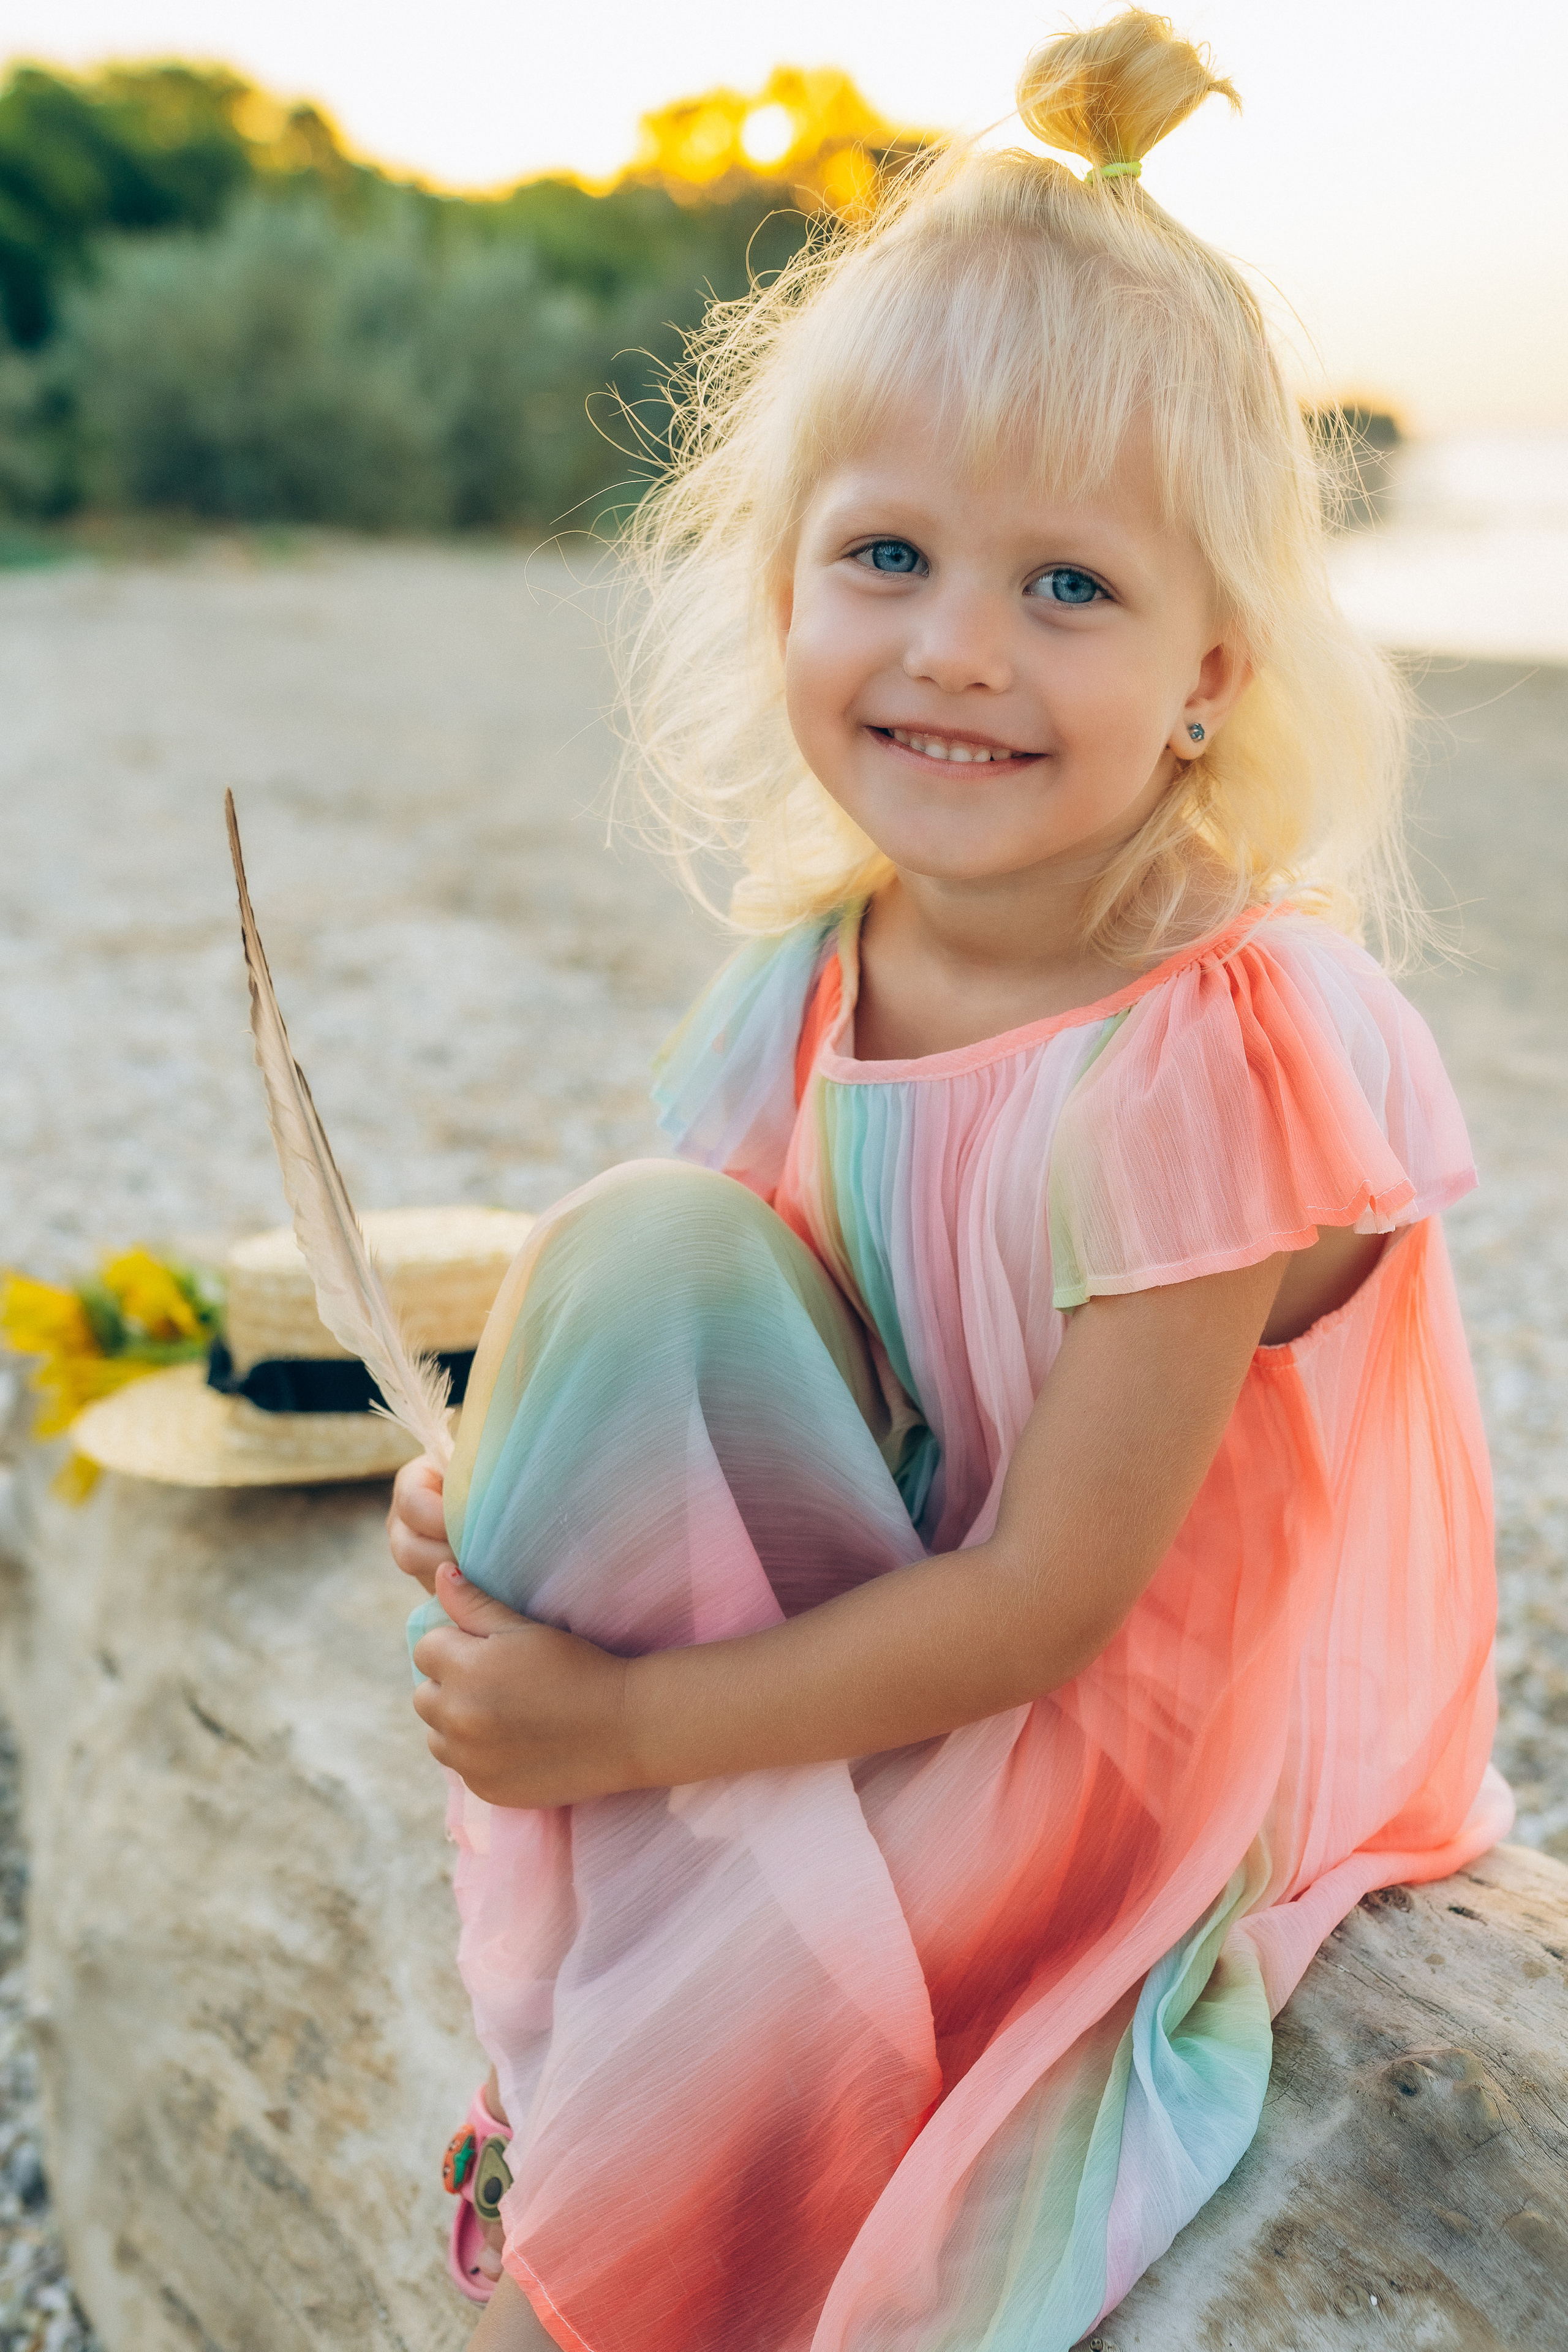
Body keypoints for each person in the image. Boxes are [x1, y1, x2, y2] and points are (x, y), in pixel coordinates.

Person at [389, 13, 1510, 2347]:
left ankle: (647, 2149)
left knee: (702, 2003)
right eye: (886, 555)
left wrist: (614, 1734)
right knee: (625, 1253)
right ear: (780, 582)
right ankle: (617, 2036)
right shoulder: (809, 976)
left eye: (1067, 592)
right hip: (882, 1597)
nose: (957, 655)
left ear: (1213, 667)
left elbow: (1044, 1614)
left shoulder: (1215, 1044)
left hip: (1091, 1720)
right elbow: (725, 1334)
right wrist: (503, 1475)